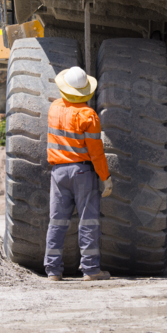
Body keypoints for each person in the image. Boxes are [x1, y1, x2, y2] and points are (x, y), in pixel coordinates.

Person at [44, 66, 113, 282]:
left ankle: (53, 271)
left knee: (57, 222)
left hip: (58, 173)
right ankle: (91, 270)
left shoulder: (54, 108)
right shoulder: (88, 116)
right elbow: (96, 152)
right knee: (88, 221)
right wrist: (105, 177)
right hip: (82, 172)